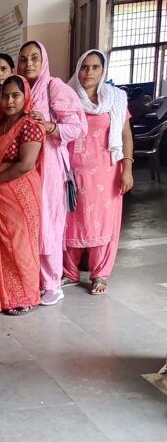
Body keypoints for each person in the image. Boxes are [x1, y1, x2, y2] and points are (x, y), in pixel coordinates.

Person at [17, 40, 87, 305]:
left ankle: (51, 283)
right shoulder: (17, 89)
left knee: (47, 222)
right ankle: (30, 277)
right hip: (23, 165)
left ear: (43, 60)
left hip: (49, 167)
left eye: (35, 58)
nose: (29, 64)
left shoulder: (54, 87)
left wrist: (49, 126)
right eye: (24, 59)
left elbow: (78, 127)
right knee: (27, 221)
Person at [64, 49, 134, 294]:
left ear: (103, 71)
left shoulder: (115, 98)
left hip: (106, 172)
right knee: (70, 221)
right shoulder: (66, 96)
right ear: (78, 69)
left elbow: (125, 135)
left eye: (95, 67)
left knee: (102, 223)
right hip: (72, 172)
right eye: (84, 67)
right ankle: (70, 272)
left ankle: (100, 274)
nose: (89, 72)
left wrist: (127, 167)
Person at [0, 76, 45, 315]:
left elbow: (26, 164)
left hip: (20, 197)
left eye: (15, 95)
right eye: (5, 96)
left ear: (26, 96)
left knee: (19, 245)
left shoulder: (30, 125)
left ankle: (24, 296)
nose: (9, 101)